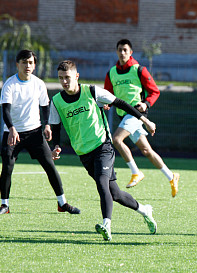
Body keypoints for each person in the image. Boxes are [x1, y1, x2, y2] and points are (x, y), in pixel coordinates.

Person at [50, 60, 157, 241]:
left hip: (103, 147)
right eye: (61, 78)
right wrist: (56, 146)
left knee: (101, 183)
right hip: (84, 153)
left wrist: (144, 120)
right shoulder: (57, 101)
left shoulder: (91, 91)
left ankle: (106, 224)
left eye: (67, 77)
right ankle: (144, 209)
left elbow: (120, 103)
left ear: (76, 76)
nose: (64, 82)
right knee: (114, 193)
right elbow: (55, 125)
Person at [0, 49, 80, 215]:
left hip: (34, 133)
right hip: (13, 133)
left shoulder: (39, 84)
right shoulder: (10, 85)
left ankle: (62, 203)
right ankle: (5, 205)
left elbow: (45, 106)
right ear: (17, 64)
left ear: (34, 66)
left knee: (50, 165)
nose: (28, 65)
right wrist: (11, 128)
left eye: (31, 62)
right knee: (7, 167)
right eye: (24, 62)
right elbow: (5, 110)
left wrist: (47, 125)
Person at [103, 38, 180, 197]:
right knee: (146, 150)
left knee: (117, 140)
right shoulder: (111, 73)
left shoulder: (139, 70)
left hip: (136, 114)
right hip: (124, 116)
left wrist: (146, 104)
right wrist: (107, 104)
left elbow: (155, 91)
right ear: (116, 52)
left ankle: (135, 172)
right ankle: (171, 176)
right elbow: (108, 94)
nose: (122, 53)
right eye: (120, 50)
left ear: (131, 52)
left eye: (125, 50)